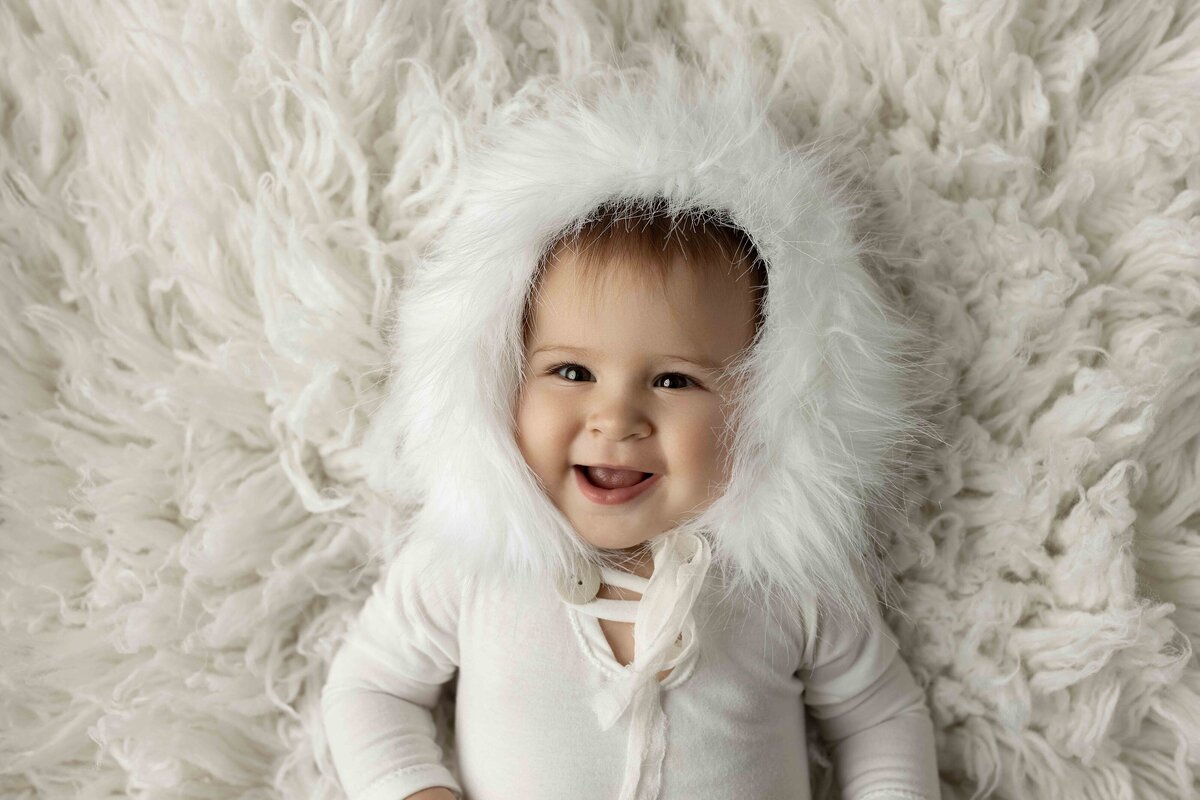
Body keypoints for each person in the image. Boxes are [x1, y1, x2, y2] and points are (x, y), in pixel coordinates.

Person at [321, 48, 943, 800]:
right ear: (502, 380)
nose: (615, 418)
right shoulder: (472, 559)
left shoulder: (787, 584)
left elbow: (878, 716)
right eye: (572, 372)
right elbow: (371, 689)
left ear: (769, 406)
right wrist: (415, 790)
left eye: (675, 380)